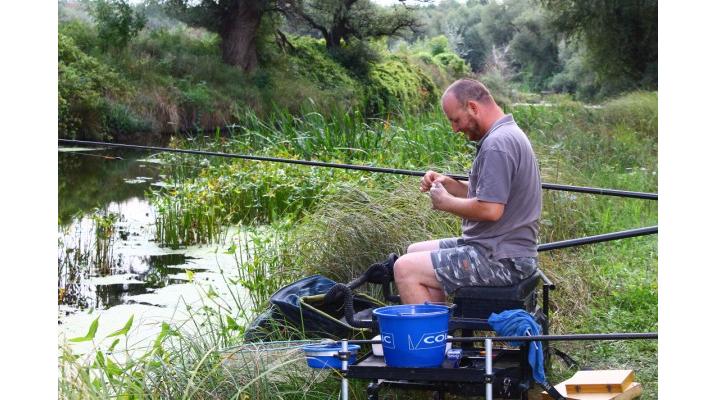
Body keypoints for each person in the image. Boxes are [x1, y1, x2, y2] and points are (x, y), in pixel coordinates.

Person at [393, 79, 542, 304]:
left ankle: (432, 337)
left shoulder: (497, 144)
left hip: (504, 260)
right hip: (495, 248)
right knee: (413, 251)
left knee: (405, 268)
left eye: (455, 120)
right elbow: (488, 195)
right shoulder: (505, 134)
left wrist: (445, 202)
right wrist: (449, 184)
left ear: (473, 107)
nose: (454, 129)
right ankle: (442, 331)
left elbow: (490, 209)